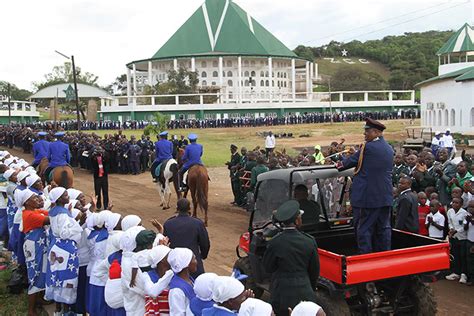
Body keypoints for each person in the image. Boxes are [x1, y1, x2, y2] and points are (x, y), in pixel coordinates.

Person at [337, 118, 394, 254]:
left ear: (376, 132)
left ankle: (365, 258)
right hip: (384, 196)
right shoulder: (388, 148)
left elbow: (347, 164)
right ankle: (384, 255)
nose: (365, 135)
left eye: (367, 132)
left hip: (368, 198)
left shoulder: (367, 147)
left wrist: (337, 161)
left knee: (364, 229)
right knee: (383, 228)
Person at [262, 200, 319, 316]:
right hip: (305, 292)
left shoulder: (275, 242)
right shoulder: (309, 241)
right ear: (297, 221)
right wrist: (310, 287)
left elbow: (267, 267)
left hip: (281, 294)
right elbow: (314, 270)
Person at [46, 187, 84, 315]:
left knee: (56, 276)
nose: (67, 197)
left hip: (56, 246)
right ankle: (66, 310)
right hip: (64, 249)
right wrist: (76, 226)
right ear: (59, 199)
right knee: (67, 278)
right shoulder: (62, 213)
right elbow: (64, 233)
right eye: (65, 195)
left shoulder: (54, 211)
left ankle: (58, 309)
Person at [20, 189, 50, 316]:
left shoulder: (33, 211)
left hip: (37, 246)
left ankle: (38, 298)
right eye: (35, 198)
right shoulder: (30, 215)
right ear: (27, 202)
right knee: (35, 274)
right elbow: (49, 219)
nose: (38, 200)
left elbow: (47, 212)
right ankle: (31, 310)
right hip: (34, 248)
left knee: (40, 271)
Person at [164, 199, 210, 278]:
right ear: (189, 208)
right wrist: (202, 256)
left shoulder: (168, 223)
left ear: (177, 209)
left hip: (175, 265)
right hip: (193, 264)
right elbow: (205, 244)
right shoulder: (197, 223)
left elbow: (164, 244)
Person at [167, 247, 198, 316]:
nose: (196, 262)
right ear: (187, 264)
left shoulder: (189, 280)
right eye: (194, 259)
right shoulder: (176, 290)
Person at [445, 197, 469, 284]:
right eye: (453, 202)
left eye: (457, 203)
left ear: (461, 204)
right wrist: (451, 229)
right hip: (454, 237)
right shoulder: (450, 211)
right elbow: (449, 222)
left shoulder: (464, 213)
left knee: (463, 256)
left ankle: (464, 274)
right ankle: (456, 272)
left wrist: (456, 231)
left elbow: (465, 227)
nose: (454, 204)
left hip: (462, 237)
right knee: (456, 255)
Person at [464, 200, 474, 285]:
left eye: (472, 207)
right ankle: (471, 278)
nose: (470, 209)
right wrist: (467, 221)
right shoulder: (468, 216)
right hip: (469, 241)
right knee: (469, 261)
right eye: (469, 207)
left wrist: (471, 220)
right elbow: (465, 228)